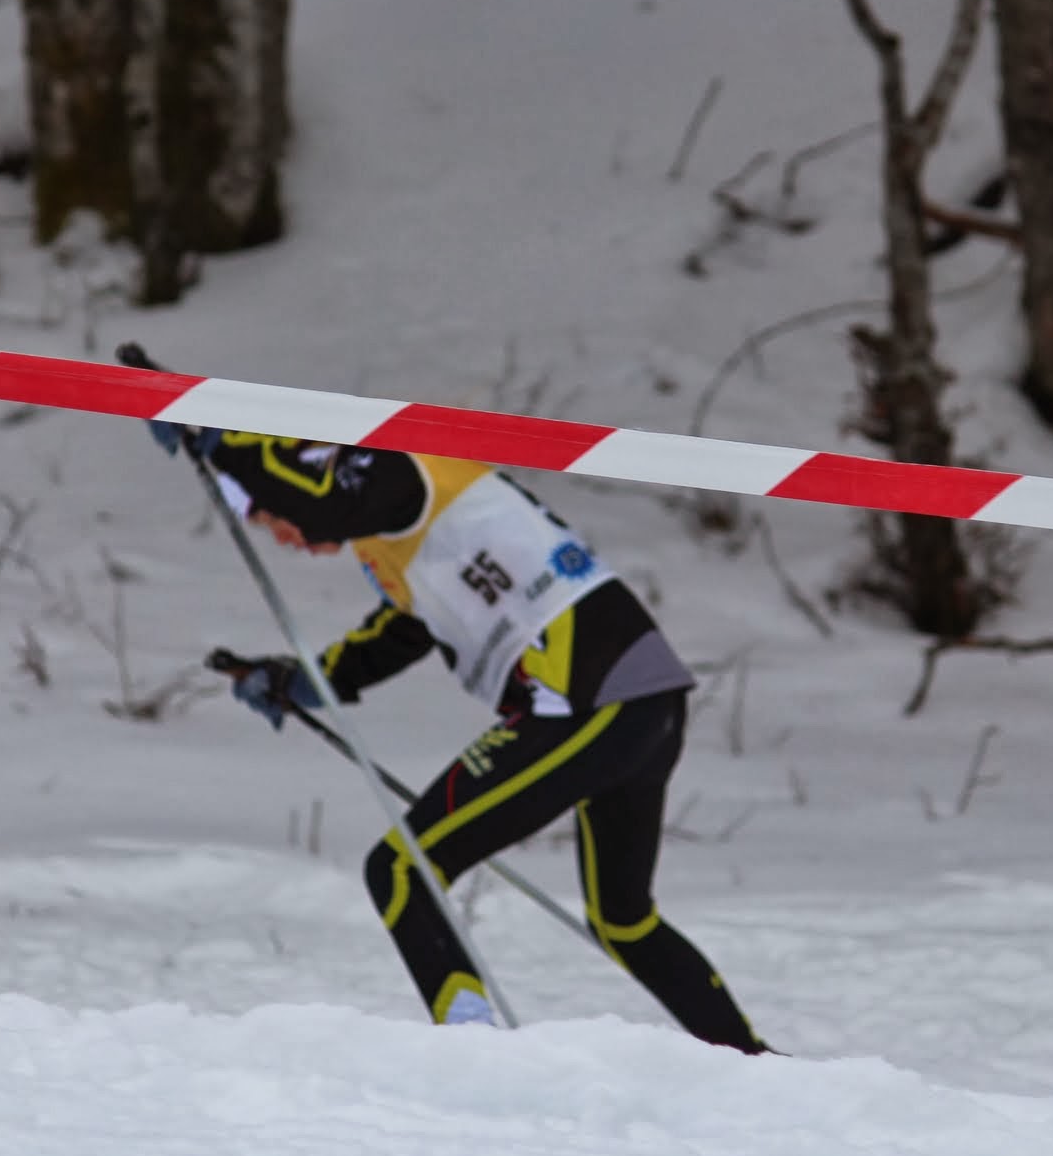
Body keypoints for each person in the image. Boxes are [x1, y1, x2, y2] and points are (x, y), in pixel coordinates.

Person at [153, 421, 771, 1054]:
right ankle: (760, 1070)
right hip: (638, 701)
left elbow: (323, 507)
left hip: (589, 696)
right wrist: (302, 681)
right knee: (622, 920)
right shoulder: (387, 530)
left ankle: (476, 1055)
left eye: (270, 519)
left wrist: (227, 445)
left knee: (402, 870)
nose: (286, 540)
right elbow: (403, 632)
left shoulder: (398, 462)